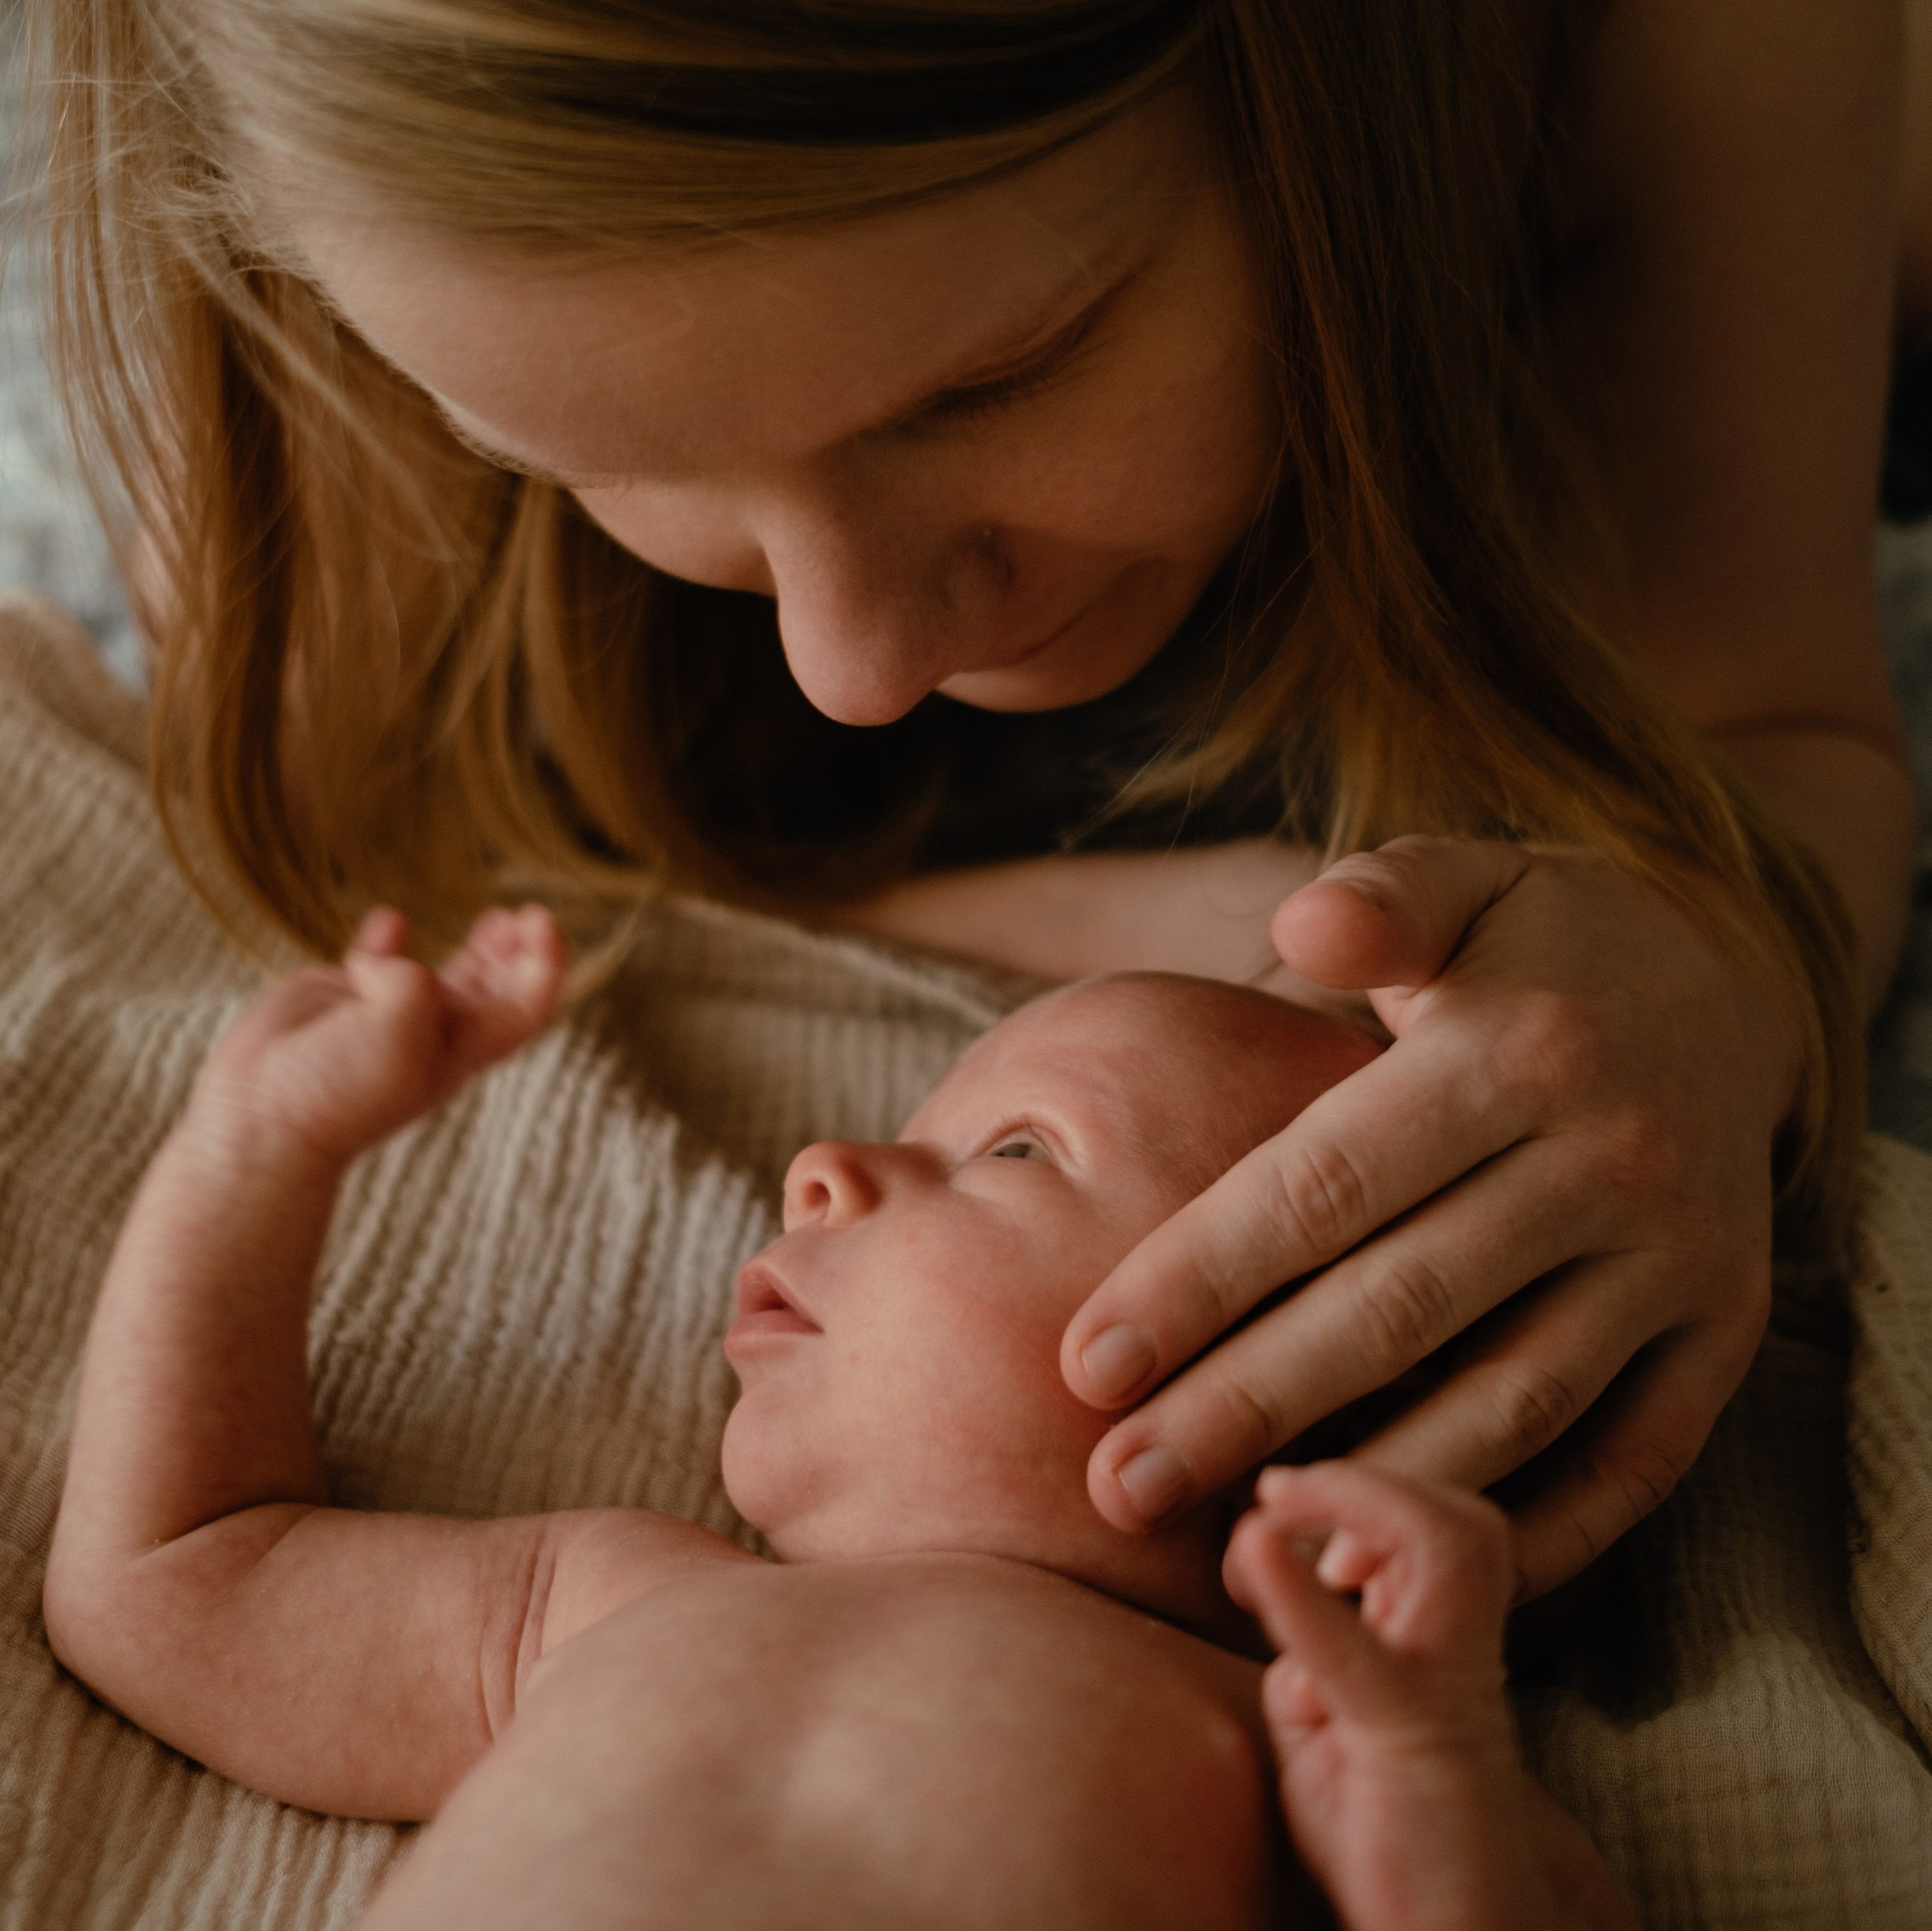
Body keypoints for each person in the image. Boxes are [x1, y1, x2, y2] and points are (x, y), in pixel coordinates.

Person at [28, 0, 1916, 1606]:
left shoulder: (1703, 45)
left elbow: (1771, 728)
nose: (850, 661)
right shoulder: (273, 195)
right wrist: (1105, 929)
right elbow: (391, 839)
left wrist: (1719, 968)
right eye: (582, 457)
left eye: (993, 373)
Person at [44, 907, 1633, 1930]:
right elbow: (177, 1580)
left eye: (1013, 1150)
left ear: (1335, 1372)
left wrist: (1429, 1773)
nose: (822, 1163)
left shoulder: (1314, 1742)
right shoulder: (606, 1598)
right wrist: (252, 1153)